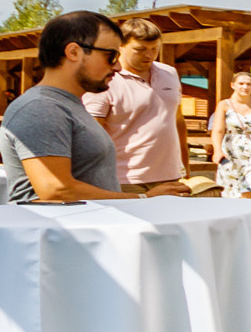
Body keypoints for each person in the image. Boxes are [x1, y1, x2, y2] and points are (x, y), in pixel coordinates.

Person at [0, 11, 139, 204]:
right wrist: (142, 198)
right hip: (59, 232)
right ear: (73, 52)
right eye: (111, 56)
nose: (118, 67)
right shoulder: (41, 108)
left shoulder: (63, 104)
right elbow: (56, 190)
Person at [81, 16, 189, 197]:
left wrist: (185, 166)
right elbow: (91, 135)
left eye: (155, 49)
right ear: (120, 46)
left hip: (170, 177)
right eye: (140, 49)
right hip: (124, 180)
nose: (149, 55)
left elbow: (177, 120)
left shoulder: (169, 73)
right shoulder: (104, 80)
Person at [208, 71, 251, 198]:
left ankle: (250, 216)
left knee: (250, 190)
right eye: (241, 83)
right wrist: (217, 150)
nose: (245, 87)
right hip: (231, 151)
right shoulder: (224, 105)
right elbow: (218, 130)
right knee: (230, 192)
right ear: (233, 85)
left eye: (248, 84)